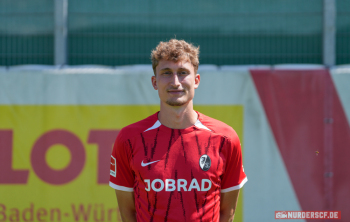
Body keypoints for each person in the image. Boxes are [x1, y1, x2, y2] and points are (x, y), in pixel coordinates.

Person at [109, 39, 247, 222]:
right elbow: (127, 212)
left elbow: (227, 212)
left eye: (183, 73)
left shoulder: (225, 139)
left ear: (196, 80)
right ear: (154, 82)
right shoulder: (128, 139)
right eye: (166, 73)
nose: (175, 82)